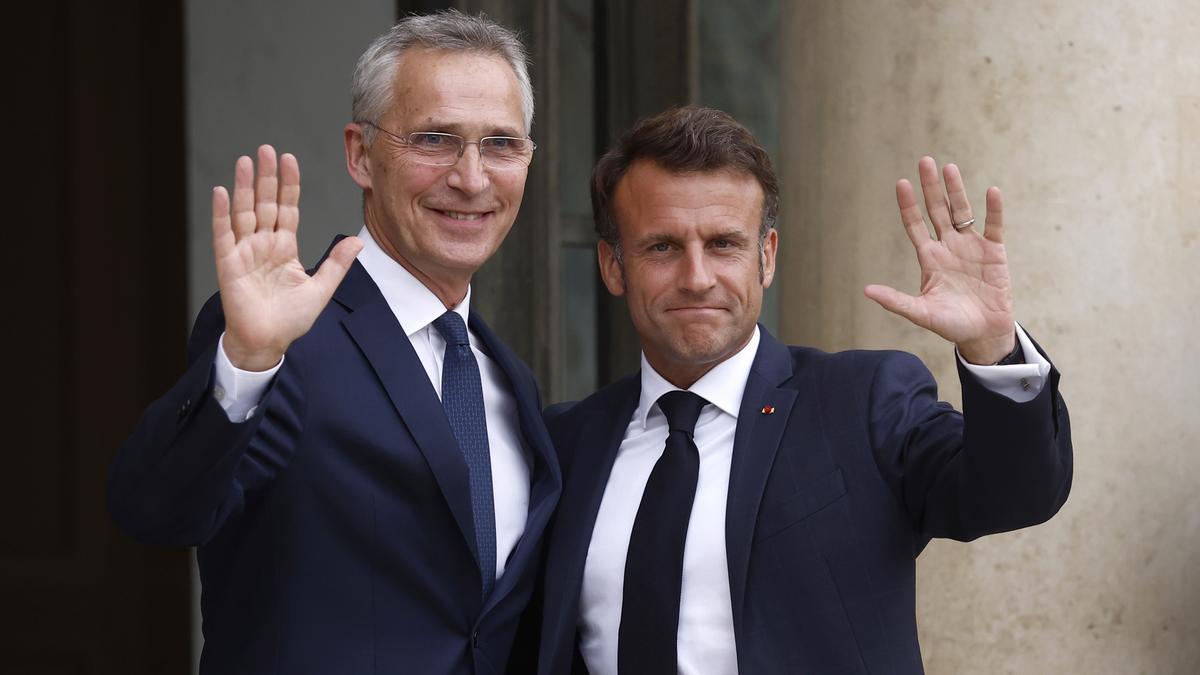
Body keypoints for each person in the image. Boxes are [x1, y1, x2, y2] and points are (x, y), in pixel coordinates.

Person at [537, 106, 1072, 674]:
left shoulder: (861, 403)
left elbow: (1016, 494)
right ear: (613, 266)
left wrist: (993, 347)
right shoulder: (565, 444)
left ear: (766, 256)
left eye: (723, 244)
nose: (696, 277)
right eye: (662, 247)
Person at [108, 11, 559, 674]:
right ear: (359, 153)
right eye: (434, 139)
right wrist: (247, 364)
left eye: (500, 144)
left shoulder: (509, 378)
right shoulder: (282, 342)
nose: (471, 177)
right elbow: (155, 510)